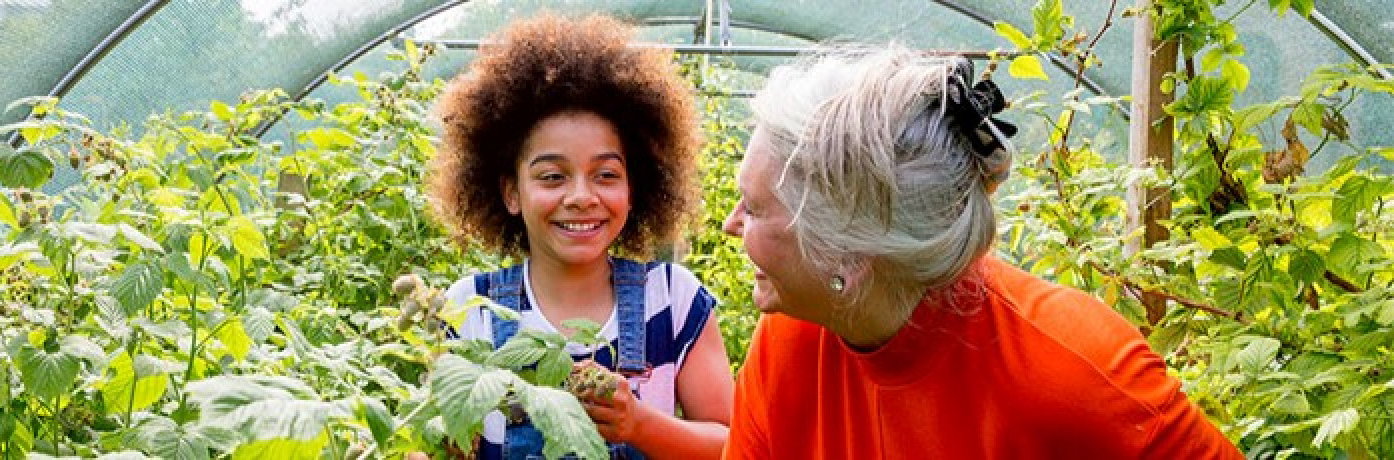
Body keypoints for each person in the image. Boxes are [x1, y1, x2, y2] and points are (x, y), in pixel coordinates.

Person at [718, 45, 1243, 458]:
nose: (730, 224)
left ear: (847, 257)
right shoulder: (790, 341)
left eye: (755, 208)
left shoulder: (1074, 373)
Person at [424, 13, 733, 460]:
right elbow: (439, 438)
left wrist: (641, 425)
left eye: (605, 174)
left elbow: (737, 444)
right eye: (552, 176)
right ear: (512, 193)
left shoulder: (672, 300)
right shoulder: (469, 312)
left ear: (634, 188)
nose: (581, 197)